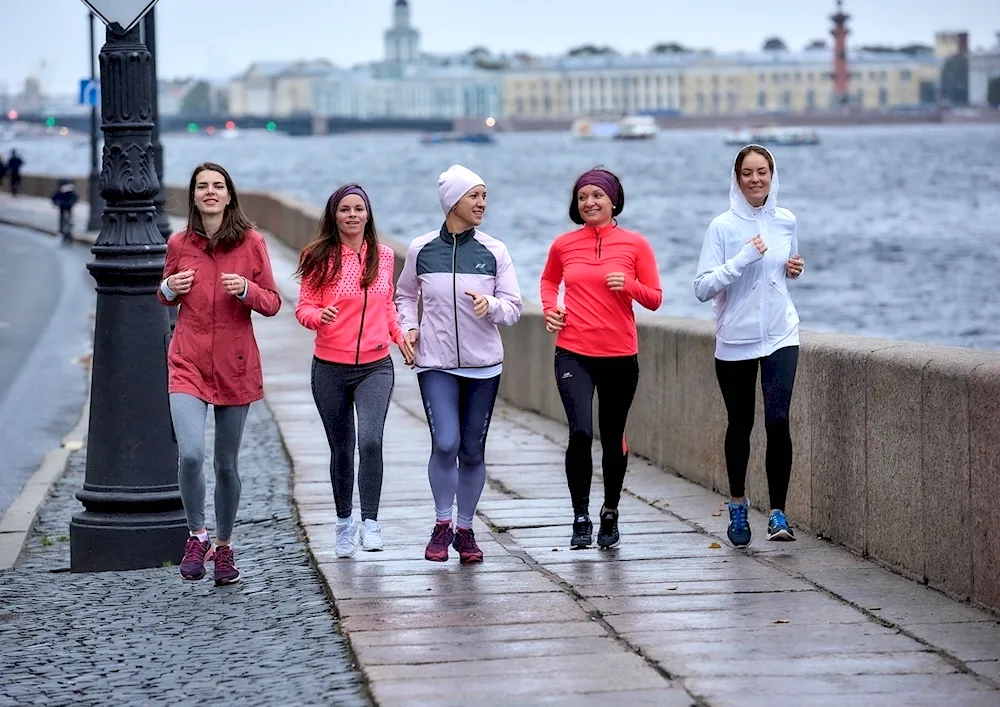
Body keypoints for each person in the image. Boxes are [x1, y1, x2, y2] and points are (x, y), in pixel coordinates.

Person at [158, 162, 281, 584]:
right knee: (191, 454)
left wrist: (246, 291)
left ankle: (224, 549)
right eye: (202, 186)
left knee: (226, 464)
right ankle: (197, 535)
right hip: (187, 360)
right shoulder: (179, 242)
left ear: (229, 195)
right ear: (193, 196)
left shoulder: (251, 243)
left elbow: (272, 302)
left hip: (235, 363)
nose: (210, 192)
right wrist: (170, 289)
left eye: (218, 186)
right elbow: (164, 292)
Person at [396, 165, 522, 564]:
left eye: (484, 196)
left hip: (484, 366)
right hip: (435, 363)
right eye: (475, 196)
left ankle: (465, 530)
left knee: (471, 451)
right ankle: (441, 523)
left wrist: (492, 307)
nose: (482, 203)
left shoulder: (494, 250)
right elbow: (403, 296)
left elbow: (515, 308)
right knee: (445, 442)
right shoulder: (421, 249)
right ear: (453, 201)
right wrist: (409, 327)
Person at [540, 167, 662, 550]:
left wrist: (628, 285)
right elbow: (548, 281)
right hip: (573, 351)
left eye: (597, 196)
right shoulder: (563, 245)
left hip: (619, 355)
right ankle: (580, 517)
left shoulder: (635, 244)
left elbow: (655, 298)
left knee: (612, 438)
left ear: (613, 201)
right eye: (582, 197)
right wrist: (550, 308)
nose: (589, 202)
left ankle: (610, 512)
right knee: (580, 432)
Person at [295, 184, 414, 559]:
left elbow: (388, 306)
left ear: (368, 214)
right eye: (344, 209)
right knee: (342, 449)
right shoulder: (318, 257)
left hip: (375, 367)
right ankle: (344, 524)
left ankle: (372, 524)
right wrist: (319, 316)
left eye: (358, 209)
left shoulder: (384, 256)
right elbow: (304, 307)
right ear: (333, 215)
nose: (352, 215)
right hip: (329, 368)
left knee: (372, 441)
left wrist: (400, 336)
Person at [693, 144, 804, 548]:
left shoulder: (786, 220)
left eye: (763, 172)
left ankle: (778, 513)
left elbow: (779, 270)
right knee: (740, 425)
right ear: (737, 179)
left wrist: (792, 268)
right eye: (748, 173)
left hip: (780, 333)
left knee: (778, 421)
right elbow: (702, 287)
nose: (756, 179)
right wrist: (741, 258)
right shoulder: (722, 227)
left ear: (773, 176)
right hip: (736, 340)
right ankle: (738, 505)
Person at [51, 178, 79, 245]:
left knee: (62, 219)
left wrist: (56, 203)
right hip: (69, 205)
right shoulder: (71, 189)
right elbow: (76, 197)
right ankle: (69, 227)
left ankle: (62, 231)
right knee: (68, 217)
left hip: (62, 205)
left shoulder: (60, 189)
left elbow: (54, 197)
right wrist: (73, 202)